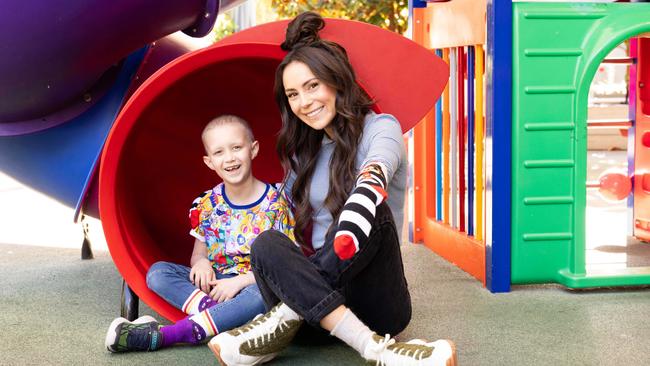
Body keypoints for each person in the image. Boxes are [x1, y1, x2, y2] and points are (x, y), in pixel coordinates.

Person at [208, 12, 456, 366]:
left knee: (371, 210)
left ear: (337, 82)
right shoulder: (302, 156)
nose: (304, 102)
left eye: (313, 86)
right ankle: (376, 350)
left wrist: (366, 190)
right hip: (314, 309)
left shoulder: (380, 127)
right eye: (293, 94)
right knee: (266, 243)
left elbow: (379, 165)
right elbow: (278, 222)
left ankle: (282, 321)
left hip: (378, 307)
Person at [104, 115, 295, 352]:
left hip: (254, 284)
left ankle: (168, 335)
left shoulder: (276, 202)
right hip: (216, 285)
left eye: (237, 148)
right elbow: (198, 254)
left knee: (259, 297)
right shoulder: (206, 204)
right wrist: (202, 263)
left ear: (253, 149)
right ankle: (222, 315)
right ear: (209, 162)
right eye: (219, 152)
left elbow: (284, 267)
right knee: (157, 273)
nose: (230, 158)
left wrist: (240, 282)